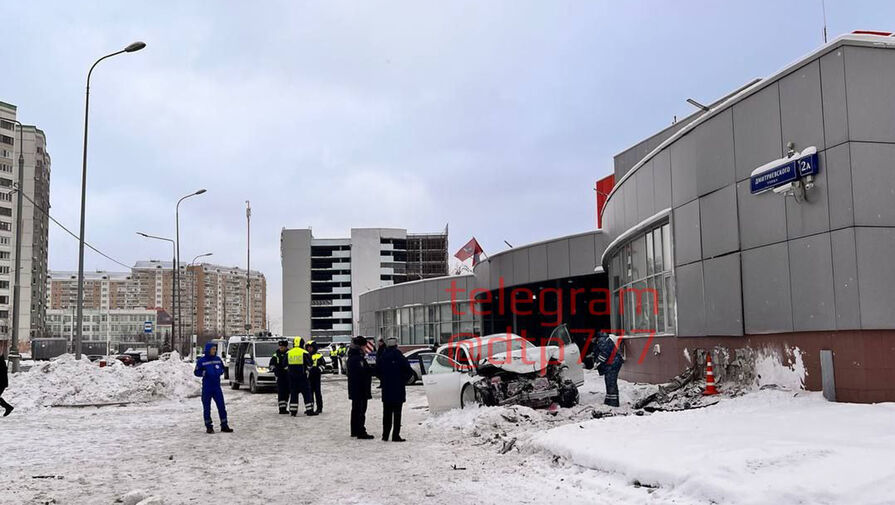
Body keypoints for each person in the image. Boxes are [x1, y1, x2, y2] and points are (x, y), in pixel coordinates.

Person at [376, 337, 413, 442]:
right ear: (396, 345)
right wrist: (402, 380)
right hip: (398, 389)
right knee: (397, 414)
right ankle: (395, 435)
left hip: (387, 389)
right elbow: (409, 371)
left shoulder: (382, 357)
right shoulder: (400, 357)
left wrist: (383, 379)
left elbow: (377, 370)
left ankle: (385, 435)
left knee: (386, 413)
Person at [194, 341, 232, 433]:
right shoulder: (202, 361)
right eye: (213, 349)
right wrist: (204, 373)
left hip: (216, 387)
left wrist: (220, 372)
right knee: (207, 408)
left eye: (215, 349)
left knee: (221, 406)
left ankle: (224, 425)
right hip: (207, 387)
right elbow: (196, 372)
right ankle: (209, 426)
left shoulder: (218, 359)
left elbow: (222, 368)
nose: (214, 351)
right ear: (208, 350)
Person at [347, 336, 374, 439]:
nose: (365, 348)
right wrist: (371, 371)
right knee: (360, 411)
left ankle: (354, 430)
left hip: (355, 389)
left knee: (355, 410)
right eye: (364, 346)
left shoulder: (353, 356)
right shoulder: (357, 358)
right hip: (360, 389)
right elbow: (362, 373)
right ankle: (360, 431)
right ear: (361, 346)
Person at [287, 337, 317, 416]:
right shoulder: (304, 352)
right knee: (307, 394)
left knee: (293, 395)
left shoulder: (289, 353)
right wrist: (307, 370)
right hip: (303, 377)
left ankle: (293, 412)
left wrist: (290, 371)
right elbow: (310, 363)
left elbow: (284, 365)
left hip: (292, 378)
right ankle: (309, 410)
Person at [594, 332, 624, 407]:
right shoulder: (603, 340)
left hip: (613, 364)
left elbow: (604, 353)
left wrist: (598, 361)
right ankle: (610, 401)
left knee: (611, 382)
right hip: (612, 363)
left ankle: (613, 403)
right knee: (609, 381)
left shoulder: (602, 340)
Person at [270, 339, 290, 414]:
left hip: (288, 376)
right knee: (281, 393)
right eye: (280, 346)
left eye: (282, 347)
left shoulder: (289, 353)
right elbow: (271, 364)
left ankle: (285, 407)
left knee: (287, 392)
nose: (280, 348)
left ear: (286, 347)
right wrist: (274, 369)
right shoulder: (276, 354)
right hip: (280, 376)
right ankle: (282, 409)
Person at [306, 340, 326, 414]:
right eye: (308, 347)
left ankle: (319, 408)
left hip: (316, 377)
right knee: (309, 393)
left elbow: (323, 365)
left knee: (318, 393)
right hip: (309, 377)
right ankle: (310, 408)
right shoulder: (306, 355)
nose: (309, 349)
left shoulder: (319, 355)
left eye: (311, 347)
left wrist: (318, 370)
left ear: (314, 348)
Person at [1, 349, 13, 417]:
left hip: (1, 383)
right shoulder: (1, 361)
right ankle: (8, 407)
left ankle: (8, 407)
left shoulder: (1, 362)